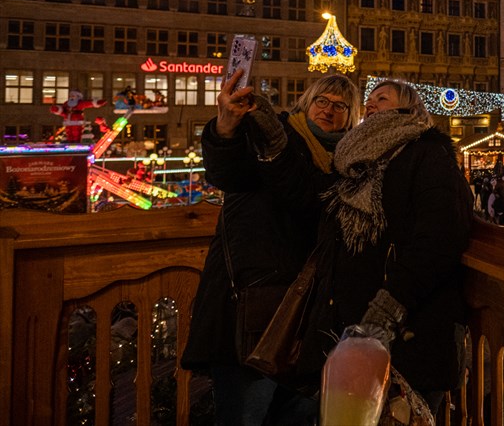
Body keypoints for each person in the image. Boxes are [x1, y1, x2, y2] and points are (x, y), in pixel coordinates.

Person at [182, 70, 359, 426]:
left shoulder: (347, 163)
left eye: (340, 106)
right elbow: (228, 173)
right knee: (245, 414)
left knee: (297, 416)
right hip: (251, 308)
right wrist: (226, 127)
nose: (328, 110)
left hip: (306, 318)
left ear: (351, 116)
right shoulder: (272, 134)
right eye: (321, 100)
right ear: (307, 103)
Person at [300, 79, 473, 414]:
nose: (370, 104)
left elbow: (439, 238)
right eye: (369, 99)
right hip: (352, 330)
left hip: (410, 331)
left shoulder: (427, 154)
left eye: (382, 98)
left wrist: (388, 307)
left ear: (408, 109)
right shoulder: (356, 163)